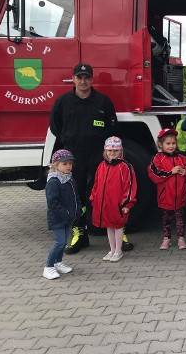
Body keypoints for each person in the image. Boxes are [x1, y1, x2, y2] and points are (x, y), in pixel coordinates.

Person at [49, 63, 134, 254]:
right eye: (79, 77)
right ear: (73, 79)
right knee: (75, 196)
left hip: (98, 156)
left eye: (86, 77)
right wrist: (67, 140)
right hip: (74, 157)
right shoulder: (63, 101)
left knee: (110, 195)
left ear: (92, 79)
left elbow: (113, 126)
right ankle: (80, 234)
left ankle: (120, 233)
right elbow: (55, 126)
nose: (83, 81)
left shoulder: (103, 101)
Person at [89, 137, 137, 262]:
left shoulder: (125, 167)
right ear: (105, 151)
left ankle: (118, 250)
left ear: (120, 151)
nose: (112, 153)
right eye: (110, 150)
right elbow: (96, 183)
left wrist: (127, 203)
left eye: (115, 151)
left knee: (118, 226)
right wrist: (94, 197)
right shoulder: (101, 165)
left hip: (118, 204)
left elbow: (130, 186)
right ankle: (112, 249)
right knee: (108, 226)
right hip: (104, 203)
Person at [148, 128, 186, 251]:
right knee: (166, 219)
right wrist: (170, 172)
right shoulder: (157, 158)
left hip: (180, 195)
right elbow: (154, 174)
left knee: (180, 219)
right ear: (160, 144)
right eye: (168, 143)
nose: (171, 146)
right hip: (166, 196)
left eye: (173, 143)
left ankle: (181, 238)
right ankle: (166, 238)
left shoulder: (182, 158)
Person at [43, 149, 82, 280]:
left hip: (68, 217)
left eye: (70, 164)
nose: (68, 166)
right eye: (64, 164)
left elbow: (76, 197)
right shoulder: (54, 182)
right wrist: (65, 213)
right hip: (58, 218)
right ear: (56, 165)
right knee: (59, 242)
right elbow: (53, 203)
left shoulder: (69, 179)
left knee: (64, 241)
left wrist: (77, 211)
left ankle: (58, 262)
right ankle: (48, 267)